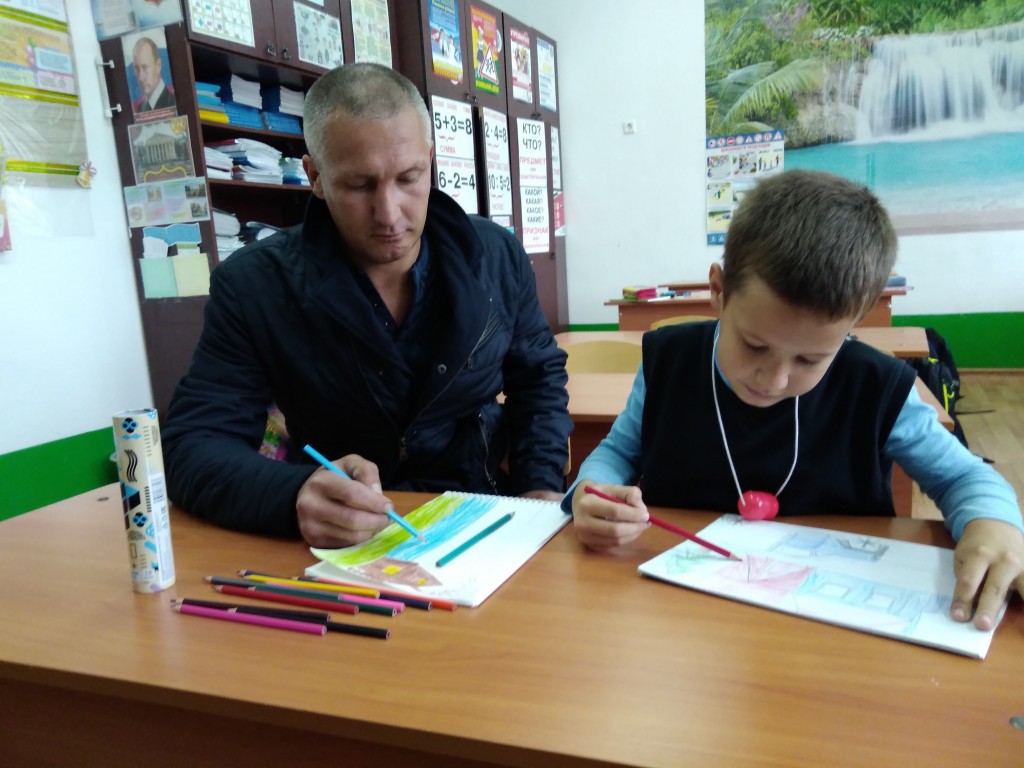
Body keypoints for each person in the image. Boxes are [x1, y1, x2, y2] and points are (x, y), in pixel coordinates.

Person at [568, 170, 1023, 632]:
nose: (775, 378)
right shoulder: (669, 361)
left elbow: (963, 476)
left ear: (852, 326)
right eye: (754, 346)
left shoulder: (875, 386)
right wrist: (591, 491)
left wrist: (996, 522)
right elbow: (617, 452)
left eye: (809, 359)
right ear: (719, 293)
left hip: (830, 628)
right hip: (678, 620)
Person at [162, 63, 570, 547]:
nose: (390, 214)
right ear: (315, 176)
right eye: (359, 185)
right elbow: (194, 443)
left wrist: (540, 489)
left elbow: (538, 379)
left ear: (430, 160)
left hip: (479, 517)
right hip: (339, 538)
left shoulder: (496, 255)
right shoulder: (254, 285)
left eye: (409, 178)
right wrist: (293, 495)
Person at [132, 37, 175, 113]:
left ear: (158, 66)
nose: (140, 77)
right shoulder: (140, 109)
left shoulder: (173, 104)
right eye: (136, 68)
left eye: (145, 67)